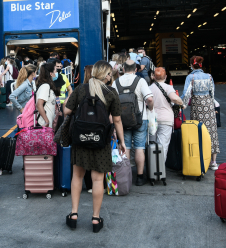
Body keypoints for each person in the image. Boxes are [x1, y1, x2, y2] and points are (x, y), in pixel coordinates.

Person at [64, 61, 125, 233]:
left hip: (80, 139)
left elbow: (67, 111)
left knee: (77, 176)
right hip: (101, 140)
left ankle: (74, 214)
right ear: (106, 75)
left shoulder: (81, 89)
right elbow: (117, 120)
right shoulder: (111, 92)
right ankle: (96, 219)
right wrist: (122, 142)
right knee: (98, 179)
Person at [115, 60, 154, 186]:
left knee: (125, 146)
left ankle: (125, 176)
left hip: (122, 120)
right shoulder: (140, 81)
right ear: (136, 69)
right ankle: (140, 177)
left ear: (124, 69)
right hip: (140, 119)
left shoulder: (117, 82)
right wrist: (151, 108)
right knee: (139, 147)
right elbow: (149, 98)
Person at [181, 56, 219, 170]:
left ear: (192, 65)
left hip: (197, 105)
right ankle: (213, 162)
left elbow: (186, 93)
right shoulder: (209, 76)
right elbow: (212, 92)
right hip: (208, 105)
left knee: (197, 130)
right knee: (211, 131)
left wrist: (180, 103)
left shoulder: (190, 76)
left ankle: (200, 158)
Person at [149, 67, 183, 162]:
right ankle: (160, 171)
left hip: (152, 120)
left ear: (154, 77)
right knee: (163, 146)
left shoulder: (149, 88)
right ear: (166, 77)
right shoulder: (168, 87)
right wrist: (182, 103)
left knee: (152, 145)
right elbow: (174, 98)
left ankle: (152, 170)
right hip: (165, 120)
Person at [34, 62, 58, 128]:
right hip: (44, 124)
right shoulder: (45, 86)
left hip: (47, 124)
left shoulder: (48, 86)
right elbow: (39, 104)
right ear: (50, 73)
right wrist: (47, 121)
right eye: (55, 71)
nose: (56, 73)